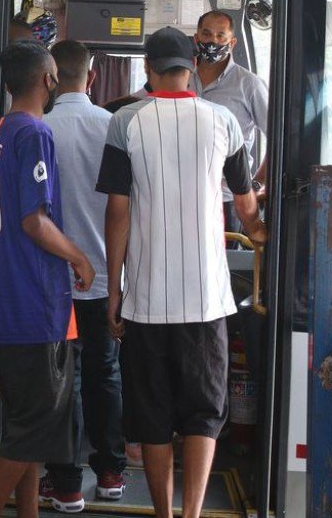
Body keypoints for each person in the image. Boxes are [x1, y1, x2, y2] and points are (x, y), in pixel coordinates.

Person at [97, 27, 267, 518]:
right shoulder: (224, 122)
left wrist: (115, 292)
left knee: (151, 417)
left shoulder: (126, 122)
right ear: (192, 65)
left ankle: (163, 514)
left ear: (148, 69)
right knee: (204, 415)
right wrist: (259, 232)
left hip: (146, 301)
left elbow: (118, 213)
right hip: (207, 302)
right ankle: (191, 513)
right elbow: (245, 203)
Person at [0, 40, 96, 518]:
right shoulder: (35, 135)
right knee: (33, 426)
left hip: (2, 300)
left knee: (26, 425)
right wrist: (79, 257)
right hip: (35, 303)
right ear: (48, 80)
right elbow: (33, 221)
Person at [42, 40, 127, 503]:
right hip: (104, 281)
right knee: (105, 373)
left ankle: (66, 481)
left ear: (51, 78)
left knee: (63, 381)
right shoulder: (114, 127)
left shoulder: (39, 129)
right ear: (91, 78)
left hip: (54, 280)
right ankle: (112, 474)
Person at [190, 10, 269, 217]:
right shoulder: (182, 77)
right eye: (206, 35)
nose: (212, 41)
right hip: (182, 194)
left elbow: (280, 140)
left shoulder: (249, 85)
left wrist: (255, 184)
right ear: (196, 38)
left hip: (228, 199)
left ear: (231, 43)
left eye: (220, 36)